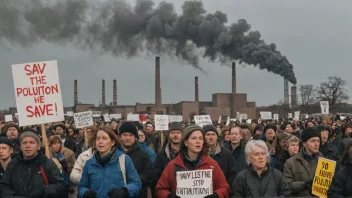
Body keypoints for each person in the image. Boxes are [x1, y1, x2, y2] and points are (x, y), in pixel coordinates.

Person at [155, 125, 230, 198]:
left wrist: (216, 195)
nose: (198, 141)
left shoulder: (212, 164)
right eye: (194, 138)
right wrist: (169, 196)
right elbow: (160, 189)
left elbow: (225, 188)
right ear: (186, 142)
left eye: (201, 138)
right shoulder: (173, 165)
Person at [78, 126, 141, 198]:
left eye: (104, 138)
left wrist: (124, 191)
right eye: (98, 138)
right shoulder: (89, 163)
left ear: (112, 142)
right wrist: (85, 192)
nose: (100, 141)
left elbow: (136, 183)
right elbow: (82, 186)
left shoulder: (124, 159)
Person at [0, 131, 68, 197]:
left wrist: (44, 190)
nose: (28, 145)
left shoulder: (48, 163)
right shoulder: (12, 165)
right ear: (20, 146)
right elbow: (3, 188)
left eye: (32, 142)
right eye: (24, 142)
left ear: (38, 146)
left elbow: (61, 186)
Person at [283, 127, 323, 197]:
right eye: (313, 141)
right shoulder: (291, 162)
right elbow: (286, 185)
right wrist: (305, 184)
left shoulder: (323, 161)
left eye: (318, 141)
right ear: (304, 143)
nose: (316, 144)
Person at [119, 122, 153, 198]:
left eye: (131, 135)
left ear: (135, 137)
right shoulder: (114, 154)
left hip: (138, 194)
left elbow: (149, 173)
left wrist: (133, 180)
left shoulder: (143, 154)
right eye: (124, 135)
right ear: (120, 137)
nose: (127, 138)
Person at [151, 122, 183, 197]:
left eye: (178, 133)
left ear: (182, 135)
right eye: (172, 133)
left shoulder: (189, 154)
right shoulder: (161, 155)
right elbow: (156, 176)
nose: (175, 135)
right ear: (168, 135)